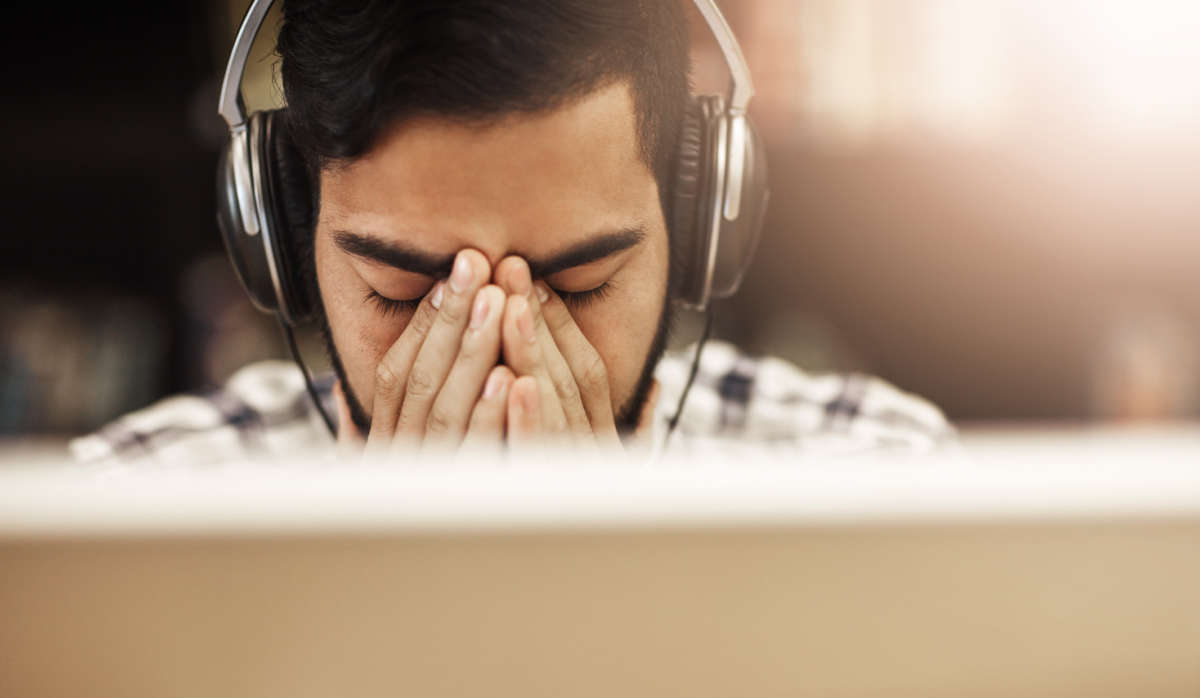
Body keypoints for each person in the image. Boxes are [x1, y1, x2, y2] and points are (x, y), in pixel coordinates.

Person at [70, 0, 952, 471]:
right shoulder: (124, 502)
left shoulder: (884, 469)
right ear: (283, 234)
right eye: (404, 291)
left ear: (699, 215)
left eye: (580, 282)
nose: (501, 357)